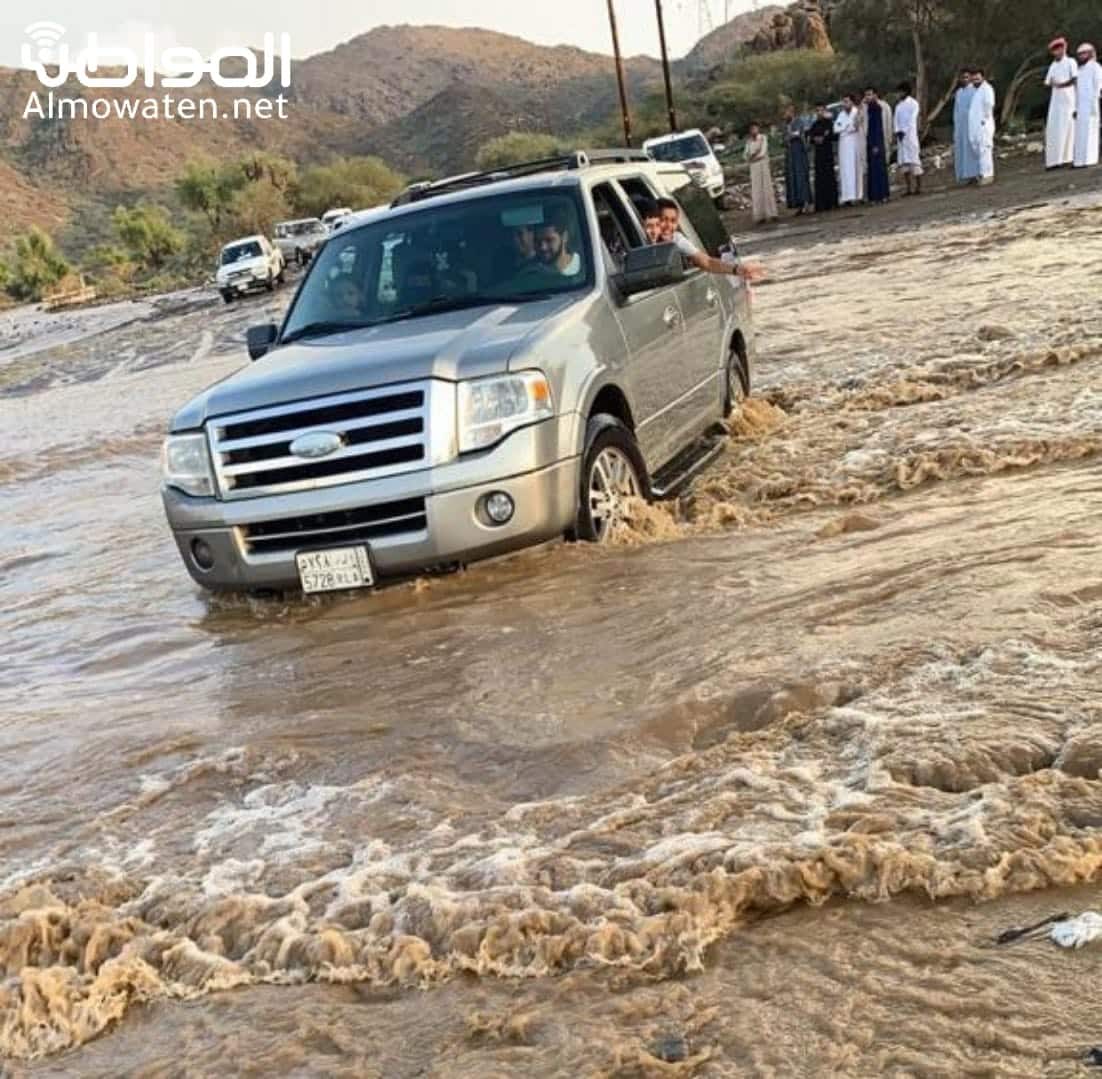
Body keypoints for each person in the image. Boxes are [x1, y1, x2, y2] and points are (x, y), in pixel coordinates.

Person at [655, 197, 763, 281]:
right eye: (663, 220)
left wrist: (737, 269)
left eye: (673, 221)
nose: (668, 226)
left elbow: (707, 261)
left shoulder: (676, 239)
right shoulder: (645, 238)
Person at [1045, 37, 1079, 169]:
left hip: (1068, 99)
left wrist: (1061, 85)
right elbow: (1048, 81)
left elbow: (1075, 79)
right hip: (1056, 101)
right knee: (1054, 129)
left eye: (1060, 49)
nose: (1058, 52)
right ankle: (1055, 160)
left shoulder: (1070, 62)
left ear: (1064, 48)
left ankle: (1068, 157)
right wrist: (1054, 84)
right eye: (1055, 50)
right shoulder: (1053, 65)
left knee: (1069, 128)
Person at [743, 122, 779, 224]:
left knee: (767, 188)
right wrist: (751, 157)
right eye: (751, 129)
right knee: (756, 190)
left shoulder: (763, 138)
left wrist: (752, 157)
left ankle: (772, 213)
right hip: (754, 168)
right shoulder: (749, 142)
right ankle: (759, 215)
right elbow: (745, 155)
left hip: (763, 166)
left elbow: (762, 153)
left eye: (755, 128)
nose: (753, 131)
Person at [1073, 43, 1102, 168]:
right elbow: (1076, 90)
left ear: (1090, 53)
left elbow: (1098, 86)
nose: (1081, 56)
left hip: (1091, 103)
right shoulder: (1079, 70)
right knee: (1080, 134)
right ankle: (1079, 161)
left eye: (1084, 53)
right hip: (1080, 105)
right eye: (1079, 54)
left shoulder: (1096, 67)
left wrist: (1094, 103)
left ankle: (1089, 160)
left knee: (1091, 132)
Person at [893, 81, 924, 196]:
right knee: (904, 164)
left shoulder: (913, 104)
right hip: (900, 138)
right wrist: (897, 131)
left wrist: (904, 131)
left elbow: (912, 119)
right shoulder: (898, 106)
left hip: (910, 136)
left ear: (905, 92)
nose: (898, 95)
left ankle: (918, 187)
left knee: (914, 161)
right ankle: (908, 188)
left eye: (899, 92)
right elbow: (895, 120)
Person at [863, 87, 893, 204]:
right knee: (872, 170)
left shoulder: (879, 108)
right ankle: (874, 196)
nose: (868, 97)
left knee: (880, 170)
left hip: (878, 142)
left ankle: (883, 194)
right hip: (869, 143)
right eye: (866, 95)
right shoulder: (866, 108)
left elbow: (879, 128)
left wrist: (877, 144)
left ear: (875, 95)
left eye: (870, 95)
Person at [782, 105, 813, 214]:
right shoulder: (785, 125)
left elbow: (800, 134)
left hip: (799, 152)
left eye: (787, 113)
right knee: (793, 178)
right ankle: (798, 204)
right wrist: (788, 137)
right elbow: (784, 138)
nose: (785, 115)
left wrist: (792, 135)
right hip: (790, 155)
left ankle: (806, 202)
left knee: (801, 177)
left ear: (791, 112)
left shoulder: (799, 121)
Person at [808, 104, 838, 212]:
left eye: (822, 110)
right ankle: (821, 203)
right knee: (820, 177)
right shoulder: (815, 124)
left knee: (829, 176)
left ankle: (832, 201)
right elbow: (810, 137)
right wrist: (816, 139)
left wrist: (825, 137)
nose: (820, 113)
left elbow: (834, 136)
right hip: (819, 154)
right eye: (818, 111)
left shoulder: (829, 123)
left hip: (828, 153)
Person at [969, 68, 996, 186]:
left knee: (985, 149)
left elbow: (989, 105)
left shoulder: (987, 89)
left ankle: (988, 174)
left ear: (983, 78)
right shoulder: (975, 90)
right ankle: (981, 173)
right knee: (977, 149)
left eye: (977, 78)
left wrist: (985, 120)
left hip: (983, 124)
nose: (975, 80)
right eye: (973, 78)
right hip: (975, 126)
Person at [534, 209, 581, 275]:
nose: (543, 247)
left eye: (549, 240)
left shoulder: (585, 265)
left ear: (564, 237)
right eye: (538, 241)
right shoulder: (530, 274)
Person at [833, 95, 862, 205]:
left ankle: (857, 196)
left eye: (847, 101)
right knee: (845, 170)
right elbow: (836, 128)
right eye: (843, 102)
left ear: (852, 102)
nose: (845, 104)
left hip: (854, 143)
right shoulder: (841, 114)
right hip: (844, 144)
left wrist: (845, 127)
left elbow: (855, 127)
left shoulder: (856, 112)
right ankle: (847, 197)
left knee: (855, 168)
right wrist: (846, 127)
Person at [953, 69, 979, 184]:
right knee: (962, 149)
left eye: (966, 77)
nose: (964, 79)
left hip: (971, 125)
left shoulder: (974, 91)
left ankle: (975, 174)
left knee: (971, 149)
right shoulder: (959, 92)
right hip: (960, 126)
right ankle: (965, 175)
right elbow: (956, 110)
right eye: (962, 77)